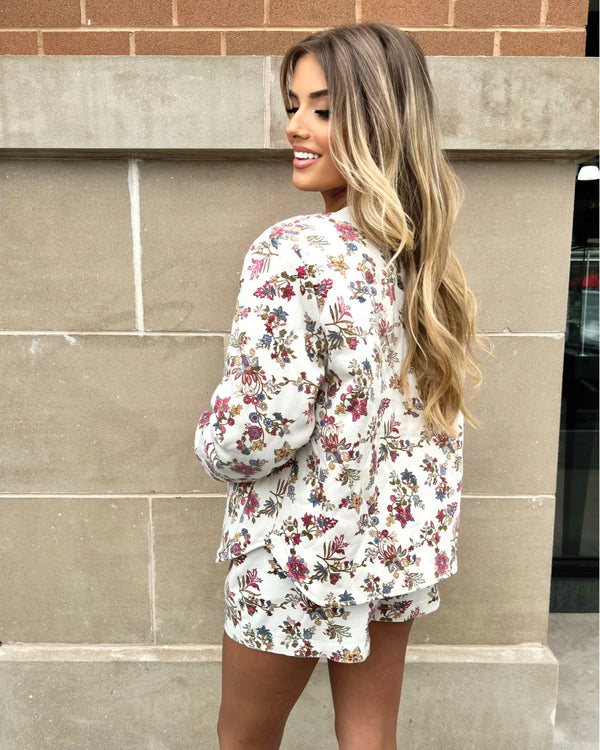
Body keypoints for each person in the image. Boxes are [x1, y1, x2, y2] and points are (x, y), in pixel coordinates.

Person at [195, 22, 483, 750]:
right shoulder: (423, 260)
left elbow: (256, 432)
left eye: (322, 110)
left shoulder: (295, 249)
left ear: (378, 121)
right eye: (293, 105)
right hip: (392, 546)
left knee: (244, 735)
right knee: (369, 732)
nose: (295, 126)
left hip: (296, 548)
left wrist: (210, 444)